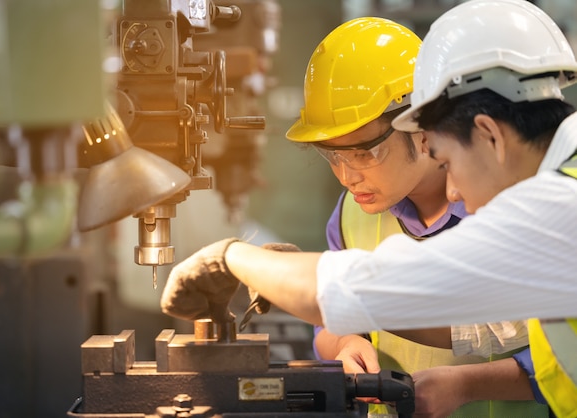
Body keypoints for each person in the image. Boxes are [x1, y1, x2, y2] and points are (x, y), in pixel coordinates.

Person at [160, 0, 577, 417]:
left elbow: (371, 292)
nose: (453, 192)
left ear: (489, 135)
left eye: (447, 160)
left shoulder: (558, 212)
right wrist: (342, 338)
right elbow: (491, 328)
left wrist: (233, 257)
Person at [282, 16, 540, 418]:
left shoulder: (508, 208)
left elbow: (561, 355)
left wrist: (467, 386)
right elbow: (332, 325)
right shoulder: (353, 212)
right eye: (332, 155)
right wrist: (346, 343)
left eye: (365, 153)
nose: (348, 176)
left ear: (421, 129)